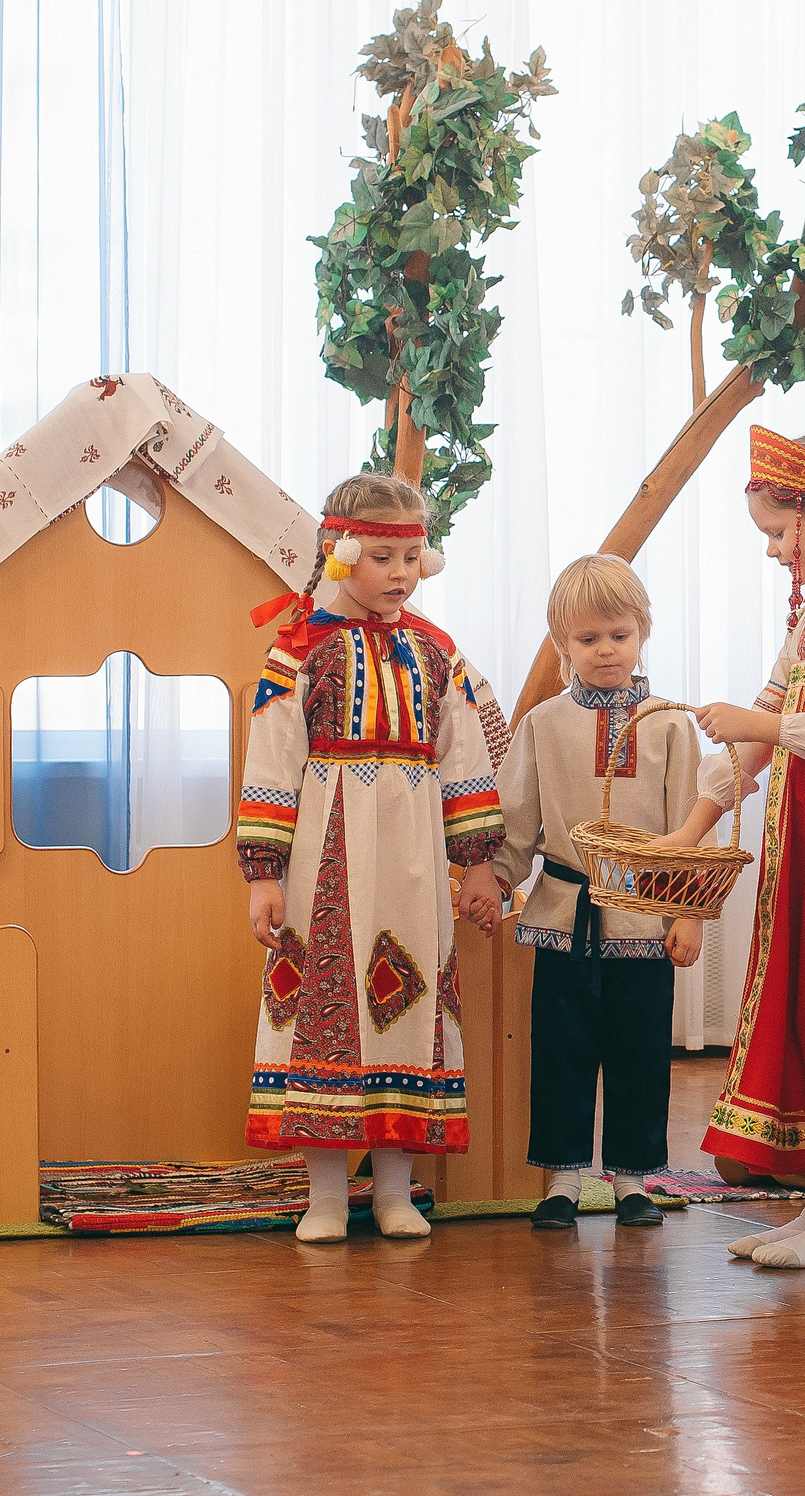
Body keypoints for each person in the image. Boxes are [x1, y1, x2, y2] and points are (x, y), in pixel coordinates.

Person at [237, 473, 511, 1242]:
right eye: (384, 557)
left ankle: (395, 1189)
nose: (400, 573)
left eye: (411, 557)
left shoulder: (438, 653)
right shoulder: (297, 651)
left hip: (415, 858)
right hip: (325, 857)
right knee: (322, 1006)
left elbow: (466, 759)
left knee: (410, 1007)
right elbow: (270, 763)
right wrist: (263, 874)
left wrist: (478, 863)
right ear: (342, 552)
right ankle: (325, 1197)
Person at [663, 426, 805, 1271]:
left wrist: (765, 723)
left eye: (776, 531)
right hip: (798, 840)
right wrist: (689, 832)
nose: (772, 552)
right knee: (798, 1005)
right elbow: (755, 742)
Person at [492, 554, 702, 1233]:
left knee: (641, 1053)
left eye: (619, 634)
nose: (606, 649)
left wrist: (688, 913)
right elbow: (518, 819)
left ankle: (633, 1181)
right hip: (565, 914)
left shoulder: (671, 725)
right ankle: (561, 1181)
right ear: (563, 644)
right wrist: (495, 876)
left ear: (643, 632)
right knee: (562, 1050)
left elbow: (689, 825)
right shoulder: (542, 723)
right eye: (588, 638)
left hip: (645, 917)